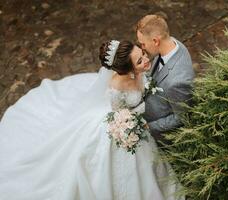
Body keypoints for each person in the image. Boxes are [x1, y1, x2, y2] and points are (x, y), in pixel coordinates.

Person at [0, 40, 184, 200]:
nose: (146, 60)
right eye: (139, 60)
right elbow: (120, 113)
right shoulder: (116, 87)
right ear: (127, 69)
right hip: (123, 125)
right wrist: (136, 120)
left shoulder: (140, 71)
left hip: (135, 119)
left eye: (142, 54)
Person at [136, 14, 195, 143]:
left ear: (156, 41)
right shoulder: (172, 43)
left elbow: (182, 118)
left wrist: (148, 127)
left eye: (143, 44)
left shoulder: (177, 82)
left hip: (161, 137)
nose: (142, 48)